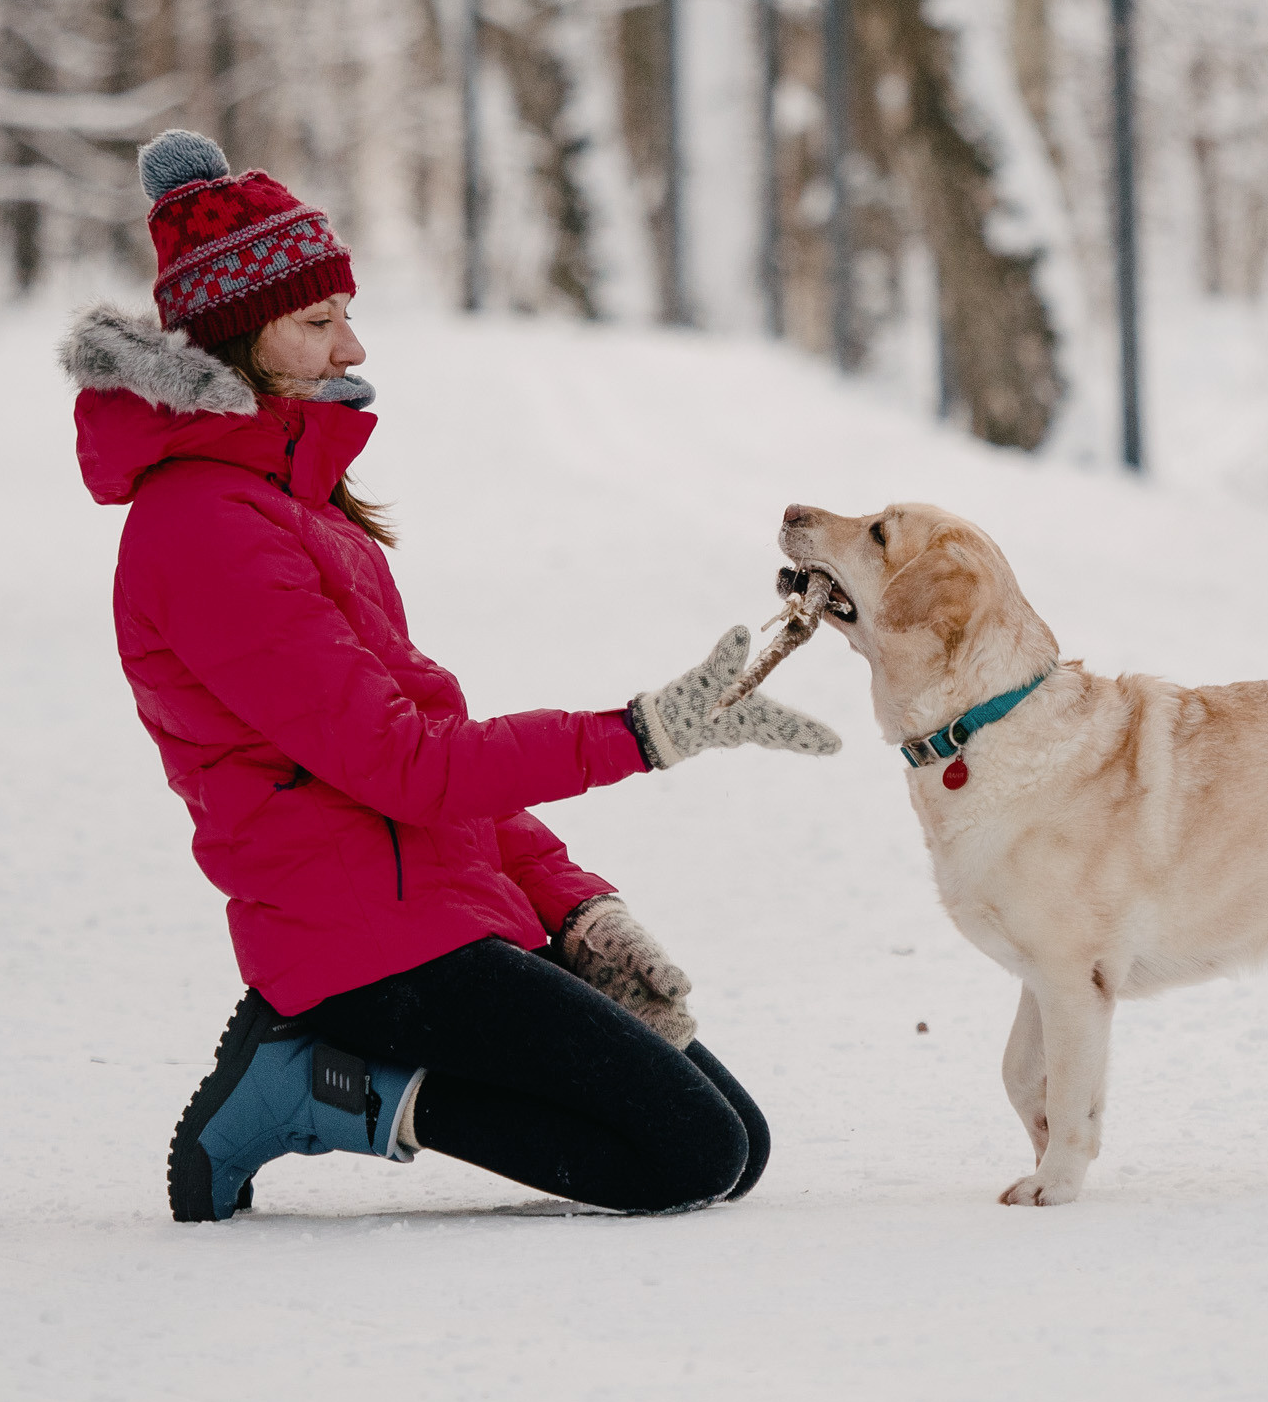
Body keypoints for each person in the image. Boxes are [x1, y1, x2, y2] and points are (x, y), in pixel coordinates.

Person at [62, 130, 840, 1221]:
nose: (351, 345)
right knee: (689, 1153)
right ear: (235, 340)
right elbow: (410, 765)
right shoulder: (205, 531)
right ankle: (317, 1088)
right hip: (353, 943)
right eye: (317, 321)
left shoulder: (297, 504)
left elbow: (429, 755)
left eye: (344, 313)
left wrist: (574, 906)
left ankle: (345, 1061)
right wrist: (641, 733)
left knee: (737, 1145)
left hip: (435, 905)